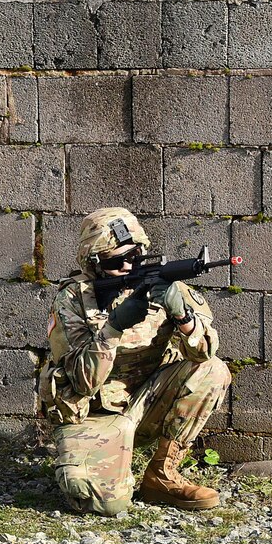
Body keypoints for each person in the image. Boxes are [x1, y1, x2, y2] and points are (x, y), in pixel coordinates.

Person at [39, 207, 231, 516]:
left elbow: (205, 353)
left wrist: (182, 315)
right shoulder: (72, 300)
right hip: (95, 414)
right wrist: (113, 328)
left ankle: (162, 475)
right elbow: (81, 381)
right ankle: (112, 467)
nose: (128, 265)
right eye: (116, 261)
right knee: (102, 503)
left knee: (213, 371)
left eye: (135, 255)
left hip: (149, 402)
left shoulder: (170, 287)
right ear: (94, 263)